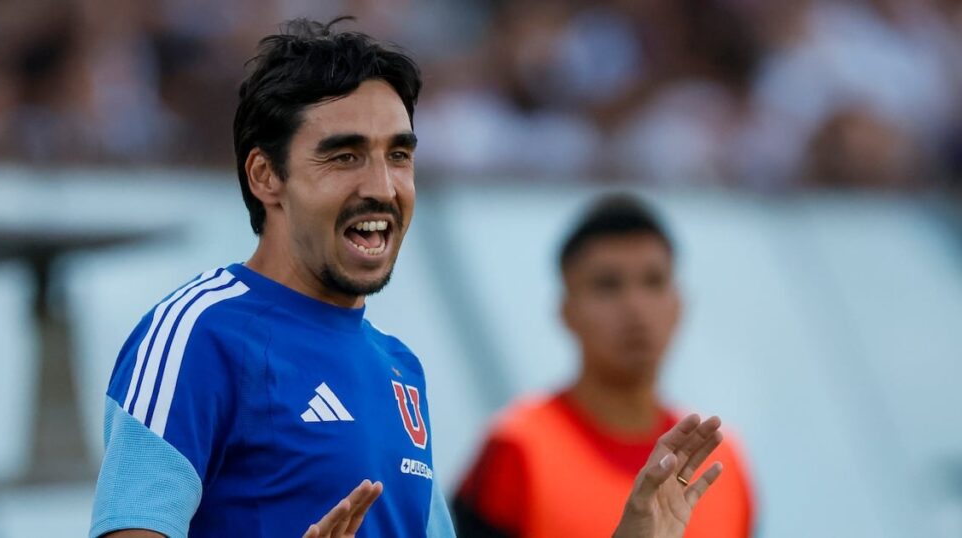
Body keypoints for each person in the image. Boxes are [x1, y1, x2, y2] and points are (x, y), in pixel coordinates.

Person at [89, 18, 727, 538]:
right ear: (266, 177)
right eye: (344, 157)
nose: (382, 187)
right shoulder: (198, 332)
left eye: (398, 155)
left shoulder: (399, 369)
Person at [453, 194, 755, 538]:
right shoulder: (518, 449)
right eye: (608, 285)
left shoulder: (722, 462)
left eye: (654, 281)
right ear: (567, 311)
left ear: (679, 304)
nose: (635, 307)